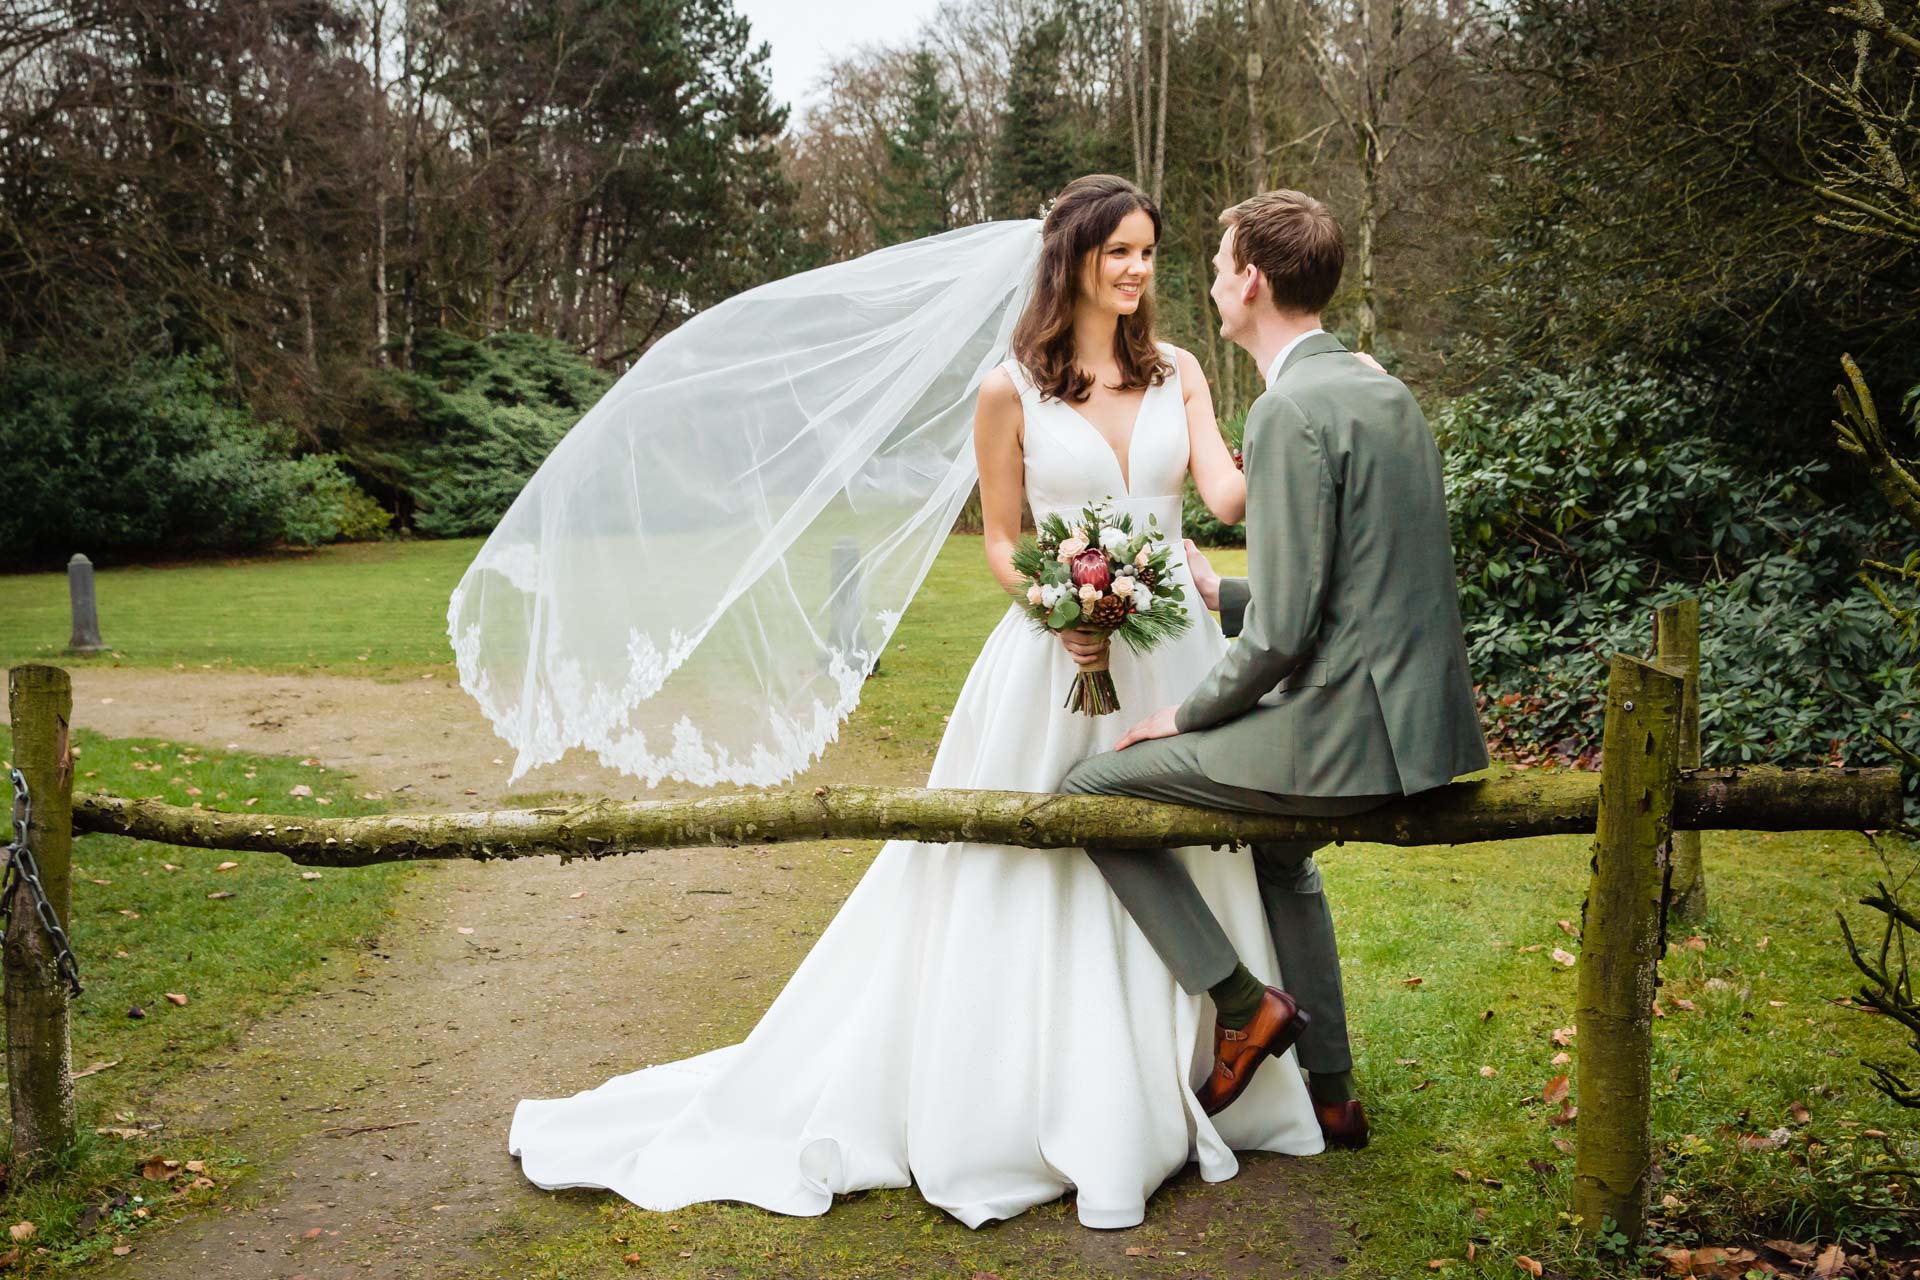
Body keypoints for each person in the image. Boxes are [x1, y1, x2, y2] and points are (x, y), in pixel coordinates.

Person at [500, 176, 1377, 1229]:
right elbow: (1002, 542)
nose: (1142, 273)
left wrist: (1320, 402)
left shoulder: (1180, 369)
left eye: (1150, 252)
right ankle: (1047, 1086)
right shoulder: (1008, 388)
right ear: (1074, 263)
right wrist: (1056, 601)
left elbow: (1231, 493)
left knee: (1191, 841)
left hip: (1175, 654)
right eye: (1121, 255)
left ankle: (1213, 1049)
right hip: (1057, 657)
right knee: (1037, 847)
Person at [1063, 190, 1489, 1147]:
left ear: (1251, 281)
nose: (1209, 283)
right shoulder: (1383, 391)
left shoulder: (1287, 411)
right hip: (1415, 734)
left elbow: (1290, 632)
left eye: (1217, 266)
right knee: (1281, 857)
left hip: (1342, 740)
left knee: (1090, 792)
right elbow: (1371, 584)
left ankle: (1241, 1002)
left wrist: (1187, 714)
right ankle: (1333, 1094)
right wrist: (1223, 599)